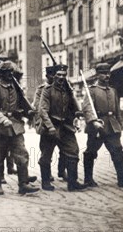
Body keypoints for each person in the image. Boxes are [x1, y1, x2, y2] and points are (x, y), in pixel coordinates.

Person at [0, 61, 39, 195]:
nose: (10, 75)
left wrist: (29, 113)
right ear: (1, 73)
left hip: (15, 126)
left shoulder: (16, 87)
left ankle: (23, 184)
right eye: (7, 72)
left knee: (22, 154)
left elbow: (23, 104)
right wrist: (3, 119)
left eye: (12, 72)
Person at [82, 63, 123, 188]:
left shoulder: (113, 91)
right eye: (103, 73)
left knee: (118, 152)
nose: (107, 76)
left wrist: (119, 123)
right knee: (91, 153)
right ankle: (88, 179)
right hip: (97, 126)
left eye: (108, 73)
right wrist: (93, 121)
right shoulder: (91, 90)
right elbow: (87, 108)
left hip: (112, 126)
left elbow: (117, 109)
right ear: (98, 74)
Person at [39, 64, 87, 192]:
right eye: (58, 75)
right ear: (53, 76)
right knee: (46, 155)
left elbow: (73, 107)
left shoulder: (68, 90)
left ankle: (72, 182)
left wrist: (77, 113)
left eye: (64, 75)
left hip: (66, 127)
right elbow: (42, 111)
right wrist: (50, 127)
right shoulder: (47, 90)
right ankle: (45, 182)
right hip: (51, 127)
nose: (61, 77)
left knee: (73, 151)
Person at [33, 65, 67, 189]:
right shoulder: (42, 89)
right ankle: (47, 176)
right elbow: (37, 106)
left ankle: (62, 171)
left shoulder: (64, 88)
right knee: (46, 151)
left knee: (65, 150)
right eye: (52, 76)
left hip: (61, 124)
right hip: (47, 124)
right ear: (47, 76)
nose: (55, 78)